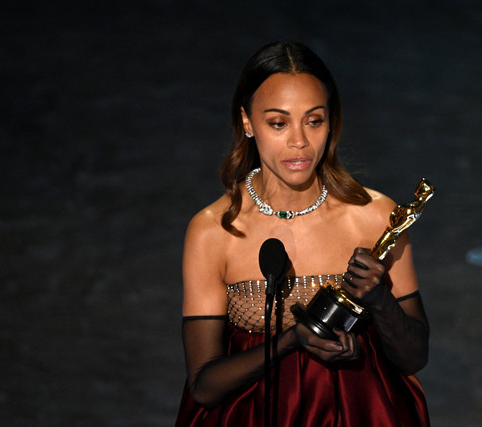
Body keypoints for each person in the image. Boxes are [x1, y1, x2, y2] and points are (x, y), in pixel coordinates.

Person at [175, 41, 430, 427]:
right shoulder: (214, 231)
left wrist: (380, 300)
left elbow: (414, 358)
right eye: (278, 123)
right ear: (247, 122)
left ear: (332, 122)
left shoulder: (375, 216)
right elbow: (204, 385)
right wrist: (292, 340)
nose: (299, 141)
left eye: (314, 120)